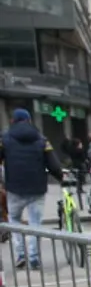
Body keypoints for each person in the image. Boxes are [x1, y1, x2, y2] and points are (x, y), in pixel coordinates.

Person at [0, 108, 63, 270]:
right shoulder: (42, 140)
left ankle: (21, 254)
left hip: (14, 188)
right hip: (37, 188)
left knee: (14, 221)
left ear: (13, 121)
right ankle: (34, 258)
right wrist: (61, 178)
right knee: (35, 223)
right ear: (29, 121)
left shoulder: (4, 139)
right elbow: (54, 165)